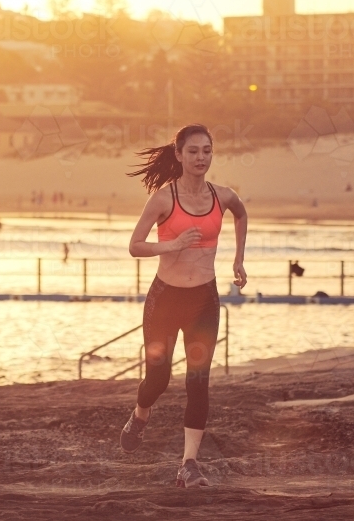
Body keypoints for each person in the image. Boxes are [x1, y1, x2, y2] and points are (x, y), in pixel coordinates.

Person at [118, 123, 248, 488]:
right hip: (165, 299)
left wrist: (238, 260)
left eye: (206, 150)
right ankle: (140, 414)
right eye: (193, 151)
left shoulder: (222, 196)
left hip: (204, 300)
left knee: (198, 381)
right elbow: (135, 245)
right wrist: (170, 246)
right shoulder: (163, 199)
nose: (200, 158)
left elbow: (241, 213)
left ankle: (189, 464)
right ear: (178, 155)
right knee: (157, 379)